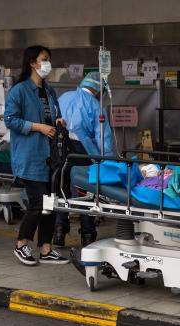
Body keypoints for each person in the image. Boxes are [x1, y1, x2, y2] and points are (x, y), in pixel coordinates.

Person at [4, 44, 69, 266]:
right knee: (37, 202)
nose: (47, 63)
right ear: (32, 63)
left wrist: (58, 122)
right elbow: (10, 120)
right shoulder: (19, 90)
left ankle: (46, 248)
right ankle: (21, 243)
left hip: (50, 156)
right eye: (44, 59)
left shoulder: (49, 91)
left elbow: (55, 115)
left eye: (48, 59)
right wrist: (38, 127)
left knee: (50, 203)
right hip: (30, 156)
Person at [54, 71, 115, 248]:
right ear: (98, 89)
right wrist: (109, 162)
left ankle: (59, 231)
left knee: (61, 191)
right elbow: (104, 139)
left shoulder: (64, 97)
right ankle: (87, 234)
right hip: (82, 151)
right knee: (86, 193)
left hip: (60, 149)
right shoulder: (96, 106)